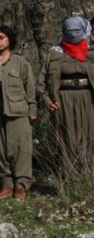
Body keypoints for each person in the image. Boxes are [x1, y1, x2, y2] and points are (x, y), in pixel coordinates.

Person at [0, 26, 36, 201]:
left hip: (16, 109)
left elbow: (30, 88)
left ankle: (21, 185)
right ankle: (6, 184)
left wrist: (32, 109)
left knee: (20, 147)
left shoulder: (20, 62)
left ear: (9, 39)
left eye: (1, 37)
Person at [42, 16, 94, 155]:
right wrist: (48, 101)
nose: (73, 32)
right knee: (67, 140)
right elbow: (41, 83)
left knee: (89, 137)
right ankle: (69, 174)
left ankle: (88, 173)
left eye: (76, 29)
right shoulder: (54, 54)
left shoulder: (91, 53)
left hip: (88, 99)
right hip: (63, 101)